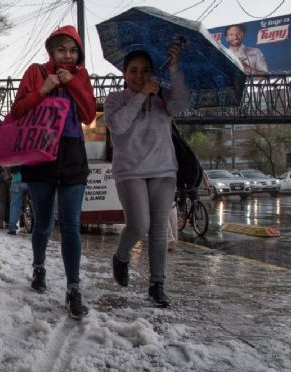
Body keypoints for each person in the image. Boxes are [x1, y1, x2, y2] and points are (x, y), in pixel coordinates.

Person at [10, 25, 96, 319]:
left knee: (71, 224)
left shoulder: (81, 76)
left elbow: (88, 114)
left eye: (73, 51)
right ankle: (39, 267)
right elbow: (17, 111)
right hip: (40, 153)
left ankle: (74, 289)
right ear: (51, 51)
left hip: (72, 154)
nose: (67, 55)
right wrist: (43, 89)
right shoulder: (35, 72)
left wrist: (72, 84)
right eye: (62, 50)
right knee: (44, 222)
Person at [104, 46, 189, 308]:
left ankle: (157, 284)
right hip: (130, 171)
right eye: (133, 71)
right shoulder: (115, 99)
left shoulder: (162, 97)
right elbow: (117, 125)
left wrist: (174, 69)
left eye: (145, 71)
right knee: (139, 225)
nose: (139, 76)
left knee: (159, 228)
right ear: (124, 73)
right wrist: (140, 96)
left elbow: (182, 105)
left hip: (163, 169)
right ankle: (121, 257)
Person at [7, 166, 28, 235]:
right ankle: (38, 227)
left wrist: (8, 174)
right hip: (30, 180)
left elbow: (7, 166)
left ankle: (12, 228)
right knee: (35, 204)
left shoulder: (14, 154)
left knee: (15, 205)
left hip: (16, 180)